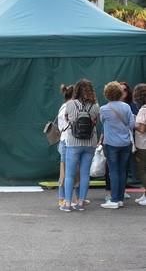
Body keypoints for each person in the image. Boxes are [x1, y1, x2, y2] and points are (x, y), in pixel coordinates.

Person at [61, 79, 99, 212]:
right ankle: (81, 202)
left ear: (76, 90)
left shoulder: (70, 104)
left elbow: (68, 120)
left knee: (70, 174)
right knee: (85, 174)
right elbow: (95, 123)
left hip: (73, 143)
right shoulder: (95, 106)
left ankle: (67, 203)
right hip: (90, 143)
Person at [99, 81, 135, 210]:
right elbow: (132, 124)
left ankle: (114, 199)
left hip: (111, 143)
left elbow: (102, 122)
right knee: (122, 171)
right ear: (120, 93)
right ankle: (119, 199)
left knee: (113, 171)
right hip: (126, 143)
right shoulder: (126, 107)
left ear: (107, 93)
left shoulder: (103, 109)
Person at [56, 84, 76, 208]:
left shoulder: (66, 106)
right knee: (64, 171)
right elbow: (66, 125)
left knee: (69, 171)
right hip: (66, 142)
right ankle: (62, 198)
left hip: (67, 141)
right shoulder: (67, 108)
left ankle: (66, 198)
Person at [132, 83, 146, 206]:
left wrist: (132, 121)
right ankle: (144, 195)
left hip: (143, 145)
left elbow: (142, 129)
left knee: (142, 171)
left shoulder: (143, 109)